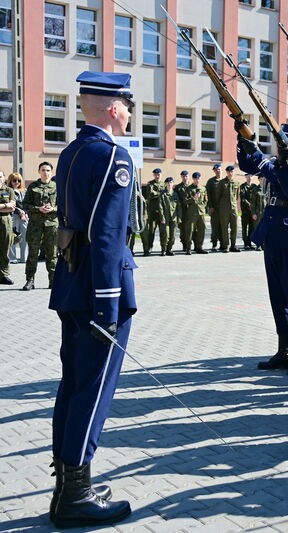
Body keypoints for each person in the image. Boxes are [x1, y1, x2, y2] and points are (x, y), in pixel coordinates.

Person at [47, 70, 136, 528]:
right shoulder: (110, 156)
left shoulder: (73, 150)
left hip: (71, 283)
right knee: (91, 393)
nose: (129, 112)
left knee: (74, 386)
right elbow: (105, 235)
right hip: (98, 290)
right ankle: (75, 497)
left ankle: (67, 485)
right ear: (112, 107)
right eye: (126, 104)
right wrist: (108, 304)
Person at [238, 124, 288, 374]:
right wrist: (243, 141)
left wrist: (262, 155)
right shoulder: (274, 165)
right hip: (273, 237)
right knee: (277, 297)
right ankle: (284, 350)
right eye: (281, 143)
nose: (284, 147)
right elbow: (248, 166)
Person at [21, 162, 58, 290]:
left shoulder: (57, 187)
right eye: (43, 170)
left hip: (52, 225)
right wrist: (38, 209)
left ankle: (53, 281)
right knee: (33, 253)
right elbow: (25, 205)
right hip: (35, 225)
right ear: (39, 171)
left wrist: (52, 209)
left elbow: (64, 206)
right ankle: (30, 280)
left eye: (48, 170)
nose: (45, 172)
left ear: (51, 172)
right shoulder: (32, 186)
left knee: (52, 254)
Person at [213, 165, 240, 253]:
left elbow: (237, 196)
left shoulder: (236, 182)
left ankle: (233, 245)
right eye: (229, 171)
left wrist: (234, 205)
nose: (230, 173)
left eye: (232, 171)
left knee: (234, 227)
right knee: (224, 227)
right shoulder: (222, 182)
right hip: (224, 208)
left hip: (233, 208)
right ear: (227, 172)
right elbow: (217, 196)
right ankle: (226, 246)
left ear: (233, 172)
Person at [182, 172, 208, 254]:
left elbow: (205, 200)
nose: (197, 180)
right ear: (193, 179)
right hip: (191, 213)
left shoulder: (203, 188)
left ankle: (199, 247)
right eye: (195, 178)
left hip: (201, 213)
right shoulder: (188, 189)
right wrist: (193, 199)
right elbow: (185, 201)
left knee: (201, 229)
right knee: (190, 231)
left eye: (198, 178)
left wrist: (202, 207)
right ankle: (188, 248)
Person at [141, 168, 165, 256]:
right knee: (151, 231)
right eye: (155, 174)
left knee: (163, 231)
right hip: (153, 211)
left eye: (159, 174)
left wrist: (158, 193)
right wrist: (161, 193)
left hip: (162, 212)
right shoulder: (150, 184)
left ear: (161, 174)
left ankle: (163, 248)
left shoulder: (164, 184)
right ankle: (149, 247)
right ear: (153, 175)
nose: (157, 176)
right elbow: (151, 194)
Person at [8, 172, 28, 264]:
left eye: (19, 180)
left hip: (25, 217)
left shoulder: (24, 191)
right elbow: (11, 205)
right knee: (13, 237)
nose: (17, 182)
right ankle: (12, 257)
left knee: (24, 236)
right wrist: (20, 212)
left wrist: (25, 212)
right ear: (10, 181)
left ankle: (24, 257)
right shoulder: (7, 191)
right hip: (13, 216)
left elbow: (28, 203)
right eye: (14, 180)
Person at [0, 176, 15, 285]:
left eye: (0, 176)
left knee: (5, 248)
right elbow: (8, 205)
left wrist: (8, 206)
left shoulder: (9, 190)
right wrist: (5, 205)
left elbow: (12, 207)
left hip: (6, 221)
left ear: (4, 178)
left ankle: (3, 275)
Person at [160, 177, 179, 256]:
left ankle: (169, 249)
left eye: (171, 182)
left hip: (174, 218)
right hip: (166, 217)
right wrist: (162, 217)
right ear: (165, 184)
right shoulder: (162, 194)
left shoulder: (175, 194)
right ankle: (163, 249)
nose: (169, 184)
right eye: (168, 183)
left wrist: (179, 217)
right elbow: (160, 206)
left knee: (173, 235)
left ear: (173, 184)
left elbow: (179, 206)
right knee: (166, 234)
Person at [240, 173, 258, 250]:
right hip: (245, 211)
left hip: (252, 211)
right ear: (245, 177)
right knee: (245, 228)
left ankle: (250, 243)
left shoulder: (254, 186)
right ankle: (245, 243)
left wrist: (253, 207)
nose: (249, 177)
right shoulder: (242, 186)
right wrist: (249, 205)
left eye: (251, 176)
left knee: (251, 228)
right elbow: (243, 198)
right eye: (247, 176)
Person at [174, 170, 191, 252]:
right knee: (183, 229)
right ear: (181, 177)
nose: (185, 178)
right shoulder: (178, 187)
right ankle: (184, 244)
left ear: (188, 176)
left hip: (191, 211)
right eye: (183, 176)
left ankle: (190, 245)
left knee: (191, 229)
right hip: (182, 211)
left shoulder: (191, 186)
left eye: (186, 176)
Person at [206, 163, 221, 251]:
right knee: (215, 226)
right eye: (216, 170)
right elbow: (208, 195)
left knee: (223, 226)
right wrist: (210, 206)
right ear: (214, 171)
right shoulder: (211, 181)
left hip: (224, 208)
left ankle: (223, 244)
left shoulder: (224, 180)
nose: (217, 171)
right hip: (214, 208)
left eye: (219, 169)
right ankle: (214, 244)